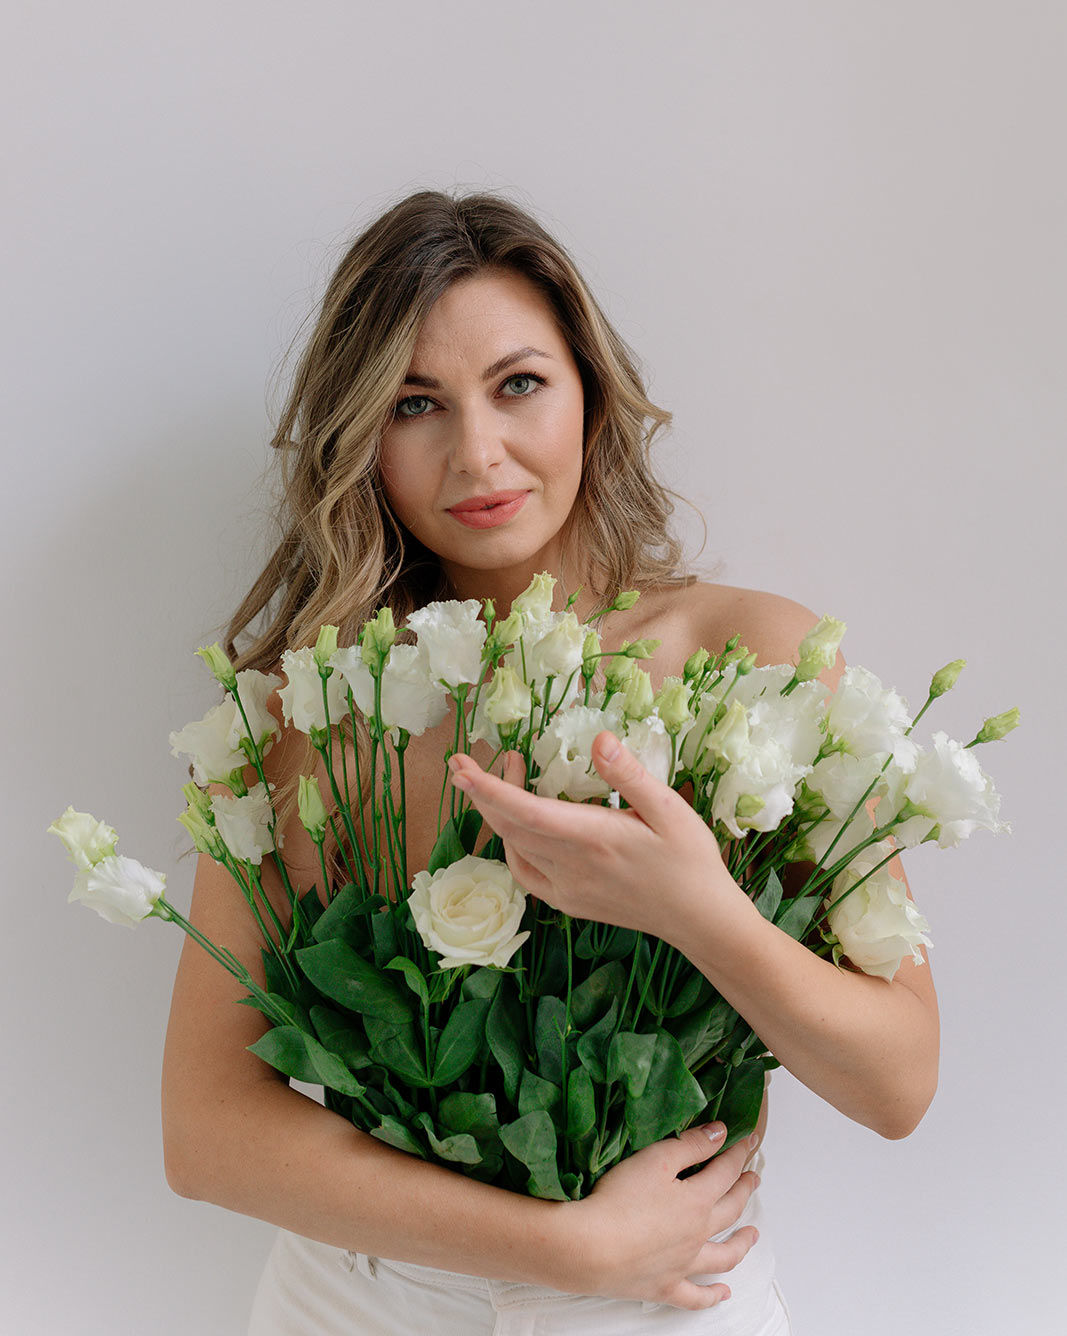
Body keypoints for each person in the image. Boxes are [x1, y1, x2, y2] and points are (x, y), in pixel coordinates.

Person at [162, 189, 939, 1334]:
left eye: (517, 383)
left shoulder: (755, 658)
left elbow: (898, 1084)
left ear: (588, 389)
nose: (477, 451)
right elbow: (207, 1130)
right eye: (414, 403)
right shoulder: (310, 709)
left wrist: (697, 911)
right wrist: (558, 1247)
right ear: (359, 436)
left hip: (669, 1308)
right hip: (361, 1300)